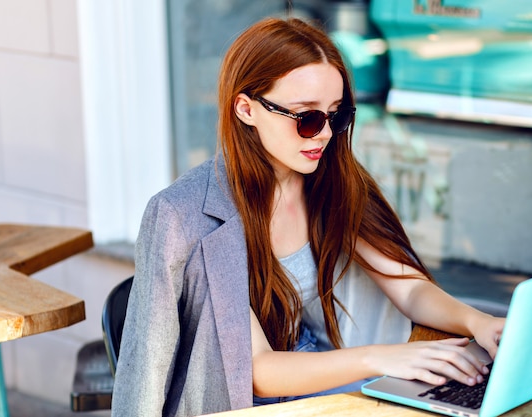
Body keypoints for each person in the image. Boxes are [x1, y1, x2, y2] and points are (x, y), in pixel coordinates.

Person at [111, 17, 505, 417]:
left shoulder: (332, 180)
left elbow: (408, 287)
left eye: (336, 115)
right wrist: (382, 359)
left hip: (331, 385)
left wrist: (479, 322)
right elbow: (255, 370)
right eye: (308, 117)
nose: (325, 135)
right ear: (246, 109)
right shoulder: (184, 215)